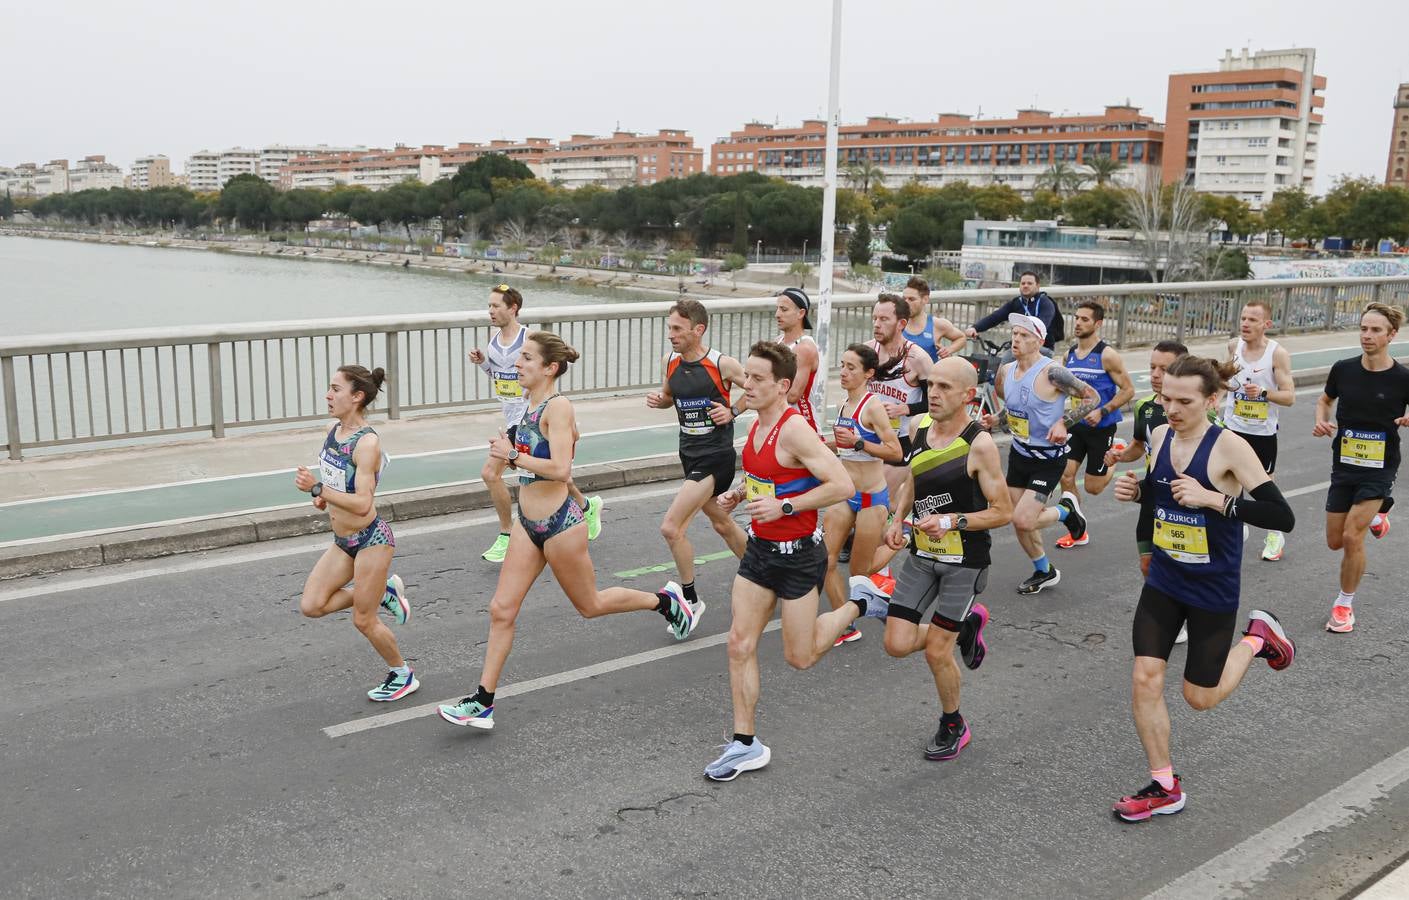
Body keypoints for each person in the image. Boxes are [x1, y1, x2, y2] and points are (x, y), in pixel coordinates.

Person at [439, 333, 700, 731]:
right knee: (501, 610)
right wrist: (505, 453)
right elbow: (526, 461)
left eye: (527, 358)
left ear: (550, 368)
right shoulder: (527, 406)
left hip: (560, 524)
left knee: (590, 605)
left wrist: (512, 454)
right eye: (520, 357)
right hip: (528, 524)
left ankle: (664, 602)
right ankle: (483, 701)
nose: (518, 364)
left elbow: (561, 470)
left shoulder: (558, 407)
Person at [1110, 354, 1297, 822]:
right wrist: (1139, 492)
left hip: (1213, 586)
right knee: (1144, 677)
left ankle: (1258, 639)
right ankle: (1164, 785)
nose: (1172, 409)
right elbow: (1163, 493)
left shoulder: (1230, 447)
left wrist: (1216, 499)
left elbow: (1282, 516)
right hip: (1165, 579)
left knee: (1200, 697)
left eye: (1185, 401)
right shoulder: (1159, 435)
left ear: (1212, 400)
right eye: (1166, 398)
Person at [704, 342, 884, 782]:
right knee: (738, 643)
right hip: (760, 552)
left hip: (800, 556)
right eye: (746, 376)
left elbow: (841, 485)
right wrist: (741, 493)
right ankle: (745, 743)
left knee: (799, 657)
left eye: (757, 379)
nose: (747, 385)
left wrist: (785, 507)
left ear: (783, 385)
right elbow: (769, 476)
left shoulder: (795, 429)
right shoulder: (757, 424)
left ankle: (860, 602)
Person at [877, 357, 1013, 760]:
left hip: (965, 563)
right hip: (922, 554)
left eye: (944, 387)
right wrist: (897, 518)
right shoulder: (918, 428)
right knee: (896, 643)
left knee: (938, 650)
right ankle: (966, 627)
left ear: (968, 395)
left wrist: (953, 520)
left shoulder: (979, 446)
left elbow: (1003, 511)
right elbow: (913, 479)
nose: (932, 393)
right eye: (930, 385)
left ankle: (953, 722)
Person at [294, 365, 418, 702]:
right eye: (329, 388)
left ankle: (403, 675)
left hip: (371, 541)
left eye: (336, 389)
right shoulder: (334, 431)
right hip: (343, 541)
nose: (328, 395)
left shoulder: (367, 443)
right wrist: (324, 497)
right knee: (312, 605)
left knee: (363, 620)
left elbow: (363, 504)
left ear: (357, 396)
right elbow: (339, 483)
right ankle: (382, 591)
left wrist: (317, 487)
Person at [469, 284, 601, 562]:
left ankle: (506, 533)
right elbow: (499, 375)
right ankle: (586, 507)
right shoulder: (494, 341)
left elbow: (552, 363)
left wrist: (540, 400)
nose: (490, 311)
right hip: (513, 416)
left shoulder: (528, 338)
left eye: (496, 306)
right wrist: (483, 363)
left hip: (527, 417)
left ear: (513, 308)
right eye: (489, 305)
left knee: (491, 473)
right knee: (550, 474)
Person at [646, 299, 750, 624]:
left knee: (671, 527)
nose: (671, 335)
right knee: (722, 523)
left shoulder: (722, 364)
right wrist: (660, 401)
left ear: (698, 329)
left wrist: (732, 411)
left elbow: (760, 388)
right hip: (688, 453)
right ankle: (763, 571)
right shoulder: (670, 362)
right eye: (669, 328)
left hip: (716, 456)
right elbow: (669, 397)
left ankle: (690, 600)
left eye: (678, 328)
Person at [1314, 302, 1409, 634]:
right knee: (1334, 541)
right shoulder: (1343, 369)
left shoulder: (1403, 378)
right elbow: (1325, 400)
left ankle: (1344, 605)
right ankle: (1381, 511)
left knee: (1352, 536)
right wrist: (1321, 420)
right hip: (1344, 463)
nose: (1367, 335)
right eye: (1364, 328)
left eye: (1375, 330)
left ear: (1391, 335)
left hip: (1380, 467)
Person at [981, 314, 1093, 593]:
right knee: (1018, 520)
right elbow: (1017, 409)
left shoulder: (1053, 373)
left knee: (1023, 519)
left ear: (1039, 342)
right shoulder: (1006, 371)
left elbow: (1092, 397)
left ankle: (1066, 511)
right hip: (1020, 455)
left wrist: (1063, 422)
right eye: (1014, 334)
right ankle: (1044, 571)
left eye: (1024, 336)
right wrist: (996, 419)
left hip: (1048, 460)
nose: (1016, 340)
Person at [824, 344, 903, 646]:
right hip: (845, 494)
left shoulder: (873, 407)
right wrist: (821, 445)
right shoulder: (844, 404)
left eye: (851, 367)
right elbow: (845, 443)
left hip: (871, 498)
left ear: (869, 373)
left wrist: (859, 443)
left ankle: (903, 537)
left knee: (861, 572)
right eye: (842, 365)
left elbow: (895, 451)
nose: (843, 372)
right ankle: (845, 625)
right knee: (825, 561)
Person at [1055, 301, 1135, 549]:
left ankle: (1116, 450)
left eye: (1085, 319)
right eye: (1076, 318)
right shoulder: (1068, 355)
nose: (1078, 323)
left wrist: (1103, 410)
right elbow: (1063, 389)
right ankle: (1078, 530)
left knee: (1093, 488)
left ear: (1097, 324)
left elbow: (1128, 390)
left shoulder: (1106, 355)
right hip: (1076, 426)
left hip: (1102, 428)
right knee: (1066, 476)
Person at [1222, 299, 1295, 561]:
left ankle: (1275, 534)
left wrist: (1264, 393)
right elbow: (1226, 380)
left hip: (1262, 433)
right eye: (1243, 318)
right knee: (1229, 480)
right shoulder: (1234, 346)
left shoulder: (1277, 354)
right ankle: (1236, 527)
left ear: (1266, 324)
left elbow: (1289, 397)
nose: (1245, 323)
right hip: (1233, 427)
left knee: (1264, 487)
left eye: (1252, 320)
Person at [867, 293, 933, 501]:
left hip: (902, 440)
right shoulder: (867, 352)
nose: (877, 324)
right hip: (869, 436)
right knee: (865, 499)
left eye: (884, 319)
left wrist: (905, 409)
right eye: (874, 318)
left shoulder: (918, 358)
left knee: (878, 499)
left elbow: (936, 405)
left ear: (901, 324)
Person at [966, 270, 1064, 353]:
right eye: (1023, 283)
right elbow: (995, 317)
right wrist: (975, 328)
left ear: (1037, 286)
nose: (1025, 286)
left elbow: (1041, 326)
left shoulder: (1045, 303)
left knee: (1007, 359)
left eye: (1029, 283)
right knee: (1003, 363)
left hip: (1041, 348)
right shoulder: (1017, 302)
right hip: (1020, 346)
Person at [774, 287, 821, 431]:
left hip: (804, 426)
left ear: (801, 313)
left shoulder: (804, 348)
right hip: (780, 422)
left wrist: (761, 387)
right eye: (777, 309)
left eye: (784, 309)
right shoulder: (777, 342)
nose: (777, 314)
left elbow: (793, 395)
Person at [901, 275, 967, 362]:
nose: (906, 303)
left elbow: (961, 338)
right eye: (904, 299)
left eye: (911, 299)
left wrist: (948, 350)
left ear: (925, 299)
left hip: (929, 370)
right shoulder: (897, 323)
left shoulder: (937, 324)